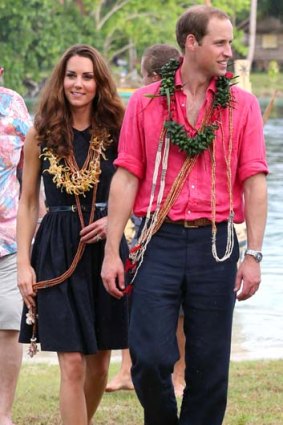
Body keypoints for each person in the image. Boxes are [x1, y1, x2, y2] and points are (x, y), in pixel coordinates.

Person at [101, 5, 268, 425]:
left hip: (218, 244)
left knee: (210, 366)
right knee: (150, 357)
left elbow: (254, 182)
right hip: (158, 241)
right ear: (191, 43)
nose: (229, 51)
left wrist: (255, 256)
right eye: (221, 42)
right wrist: (111, 250)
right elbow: (126, 177)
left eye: (230, 42)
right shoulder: (145, 102)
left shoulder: (242, 106)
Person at [17, 44, 128, 425]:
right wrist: (22, 265)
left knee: (98, 365)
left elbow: (139, 189)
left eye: (86, 76)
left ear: (99, 83)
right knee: (74, 364)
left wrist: (116, 222)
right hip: (56, 248)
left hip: (106, 249)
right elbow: (29, 202)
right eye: (71, 75)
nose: (77, 84)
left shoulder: (117, 129)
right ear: (60, 80)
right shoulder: (41, 132)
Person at [106, 43, 186, 397]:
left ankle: (176, 375)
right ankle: (130, 369)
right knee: (133, 295)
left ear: (153, 76)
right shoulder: (140, 107)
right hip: (141, 218)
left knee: (171, 305)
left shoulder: (173, 110)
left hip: (160, 220)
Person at [0, 66, 32, 425]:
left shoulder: (13, 105)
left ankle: (3, 412)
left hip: (9, 236)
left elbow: (31, 164)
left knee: (9, 323)